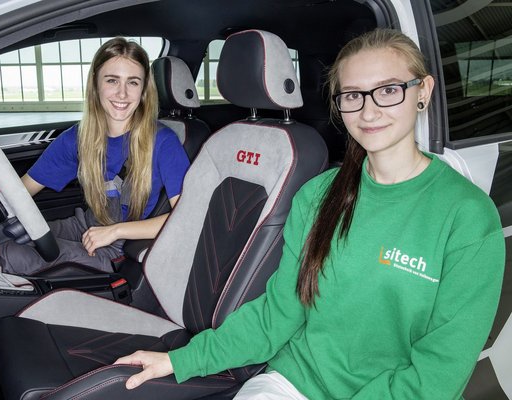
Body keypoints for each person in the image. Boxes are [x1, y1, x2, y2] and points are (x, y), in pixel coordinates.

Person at [113, 28, 506, 399]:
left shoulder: (467, 217)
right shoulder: (318, 195)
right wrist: (181, 360)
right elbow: (277, 315)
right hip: (293, 382)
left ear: (423, 91)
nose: (368, 112)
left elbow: (439, 373)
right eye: (352, 95)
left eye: (388, 90)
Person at [0, 37, 190, 275]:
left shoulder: (164, 142)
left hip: (121, 247)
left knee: (14, 255)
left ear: (143, 90)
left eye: (133, 82)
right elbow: (22, 190)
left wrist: (116, 231)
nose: (122, 93)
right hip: (84, 225)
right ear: (96, 84)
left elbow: (185, 218)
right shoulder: (78, 137)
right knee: (7, 239)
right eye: (112, 80)